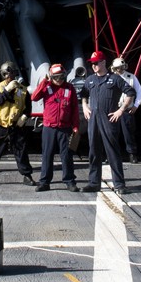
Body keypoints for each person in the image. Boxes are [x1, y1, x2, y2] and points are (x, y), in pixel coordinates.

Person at [80, 51, 135, 194]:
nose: (94, 66)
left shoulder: (115, 79)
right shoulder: (90, 80)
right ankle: (93, 183)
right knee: (93, 151)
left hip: (108, 119)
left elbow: (130, 92)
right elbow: (83, 95)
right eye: (92, 63)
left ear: (103, 62)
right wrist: (85, 106)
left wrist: (121, 110)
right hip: (94, 121)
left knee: (112, 151)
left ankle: (119, 185)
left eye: (96, 62)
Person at [0, 62, 35, 185]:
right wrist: (8, 90)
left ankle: (27, 176)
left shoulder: (23, 90)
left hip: (16, 126)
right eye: (5, 74)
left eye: (10, 73)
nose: (8, 76)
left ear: (14, 73)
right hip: (0, 124)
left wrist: (25, 116)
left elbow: (28, 107)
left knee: (21, 151)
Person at [30, 63, 80, 192]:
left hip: (65, 127)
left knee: (67, 155)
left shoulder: (70, 88)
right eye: (56, 77)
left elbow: (74, 108)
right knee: (47, 155)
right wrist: (44, 81)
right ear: (51, 77)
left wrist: (75, 126)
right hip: (49, 127)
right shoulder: (46, 87)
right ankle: (44, 182)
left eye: (61, 77)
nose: (59, 80)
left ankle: (69, 181)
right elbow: (34, 97)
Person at [111, 57, 141, 163]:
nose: (119, 70)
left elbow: (139, 91)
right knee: (112, 133)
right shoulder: (110, 78)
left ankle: (132, 154)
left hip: (127, 110)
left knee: (128, 133)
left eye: (121, 68)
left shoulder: (131, 77)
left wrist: (136, 105)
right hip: (114, 109)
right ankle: (111, 155)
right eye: (117, 68)